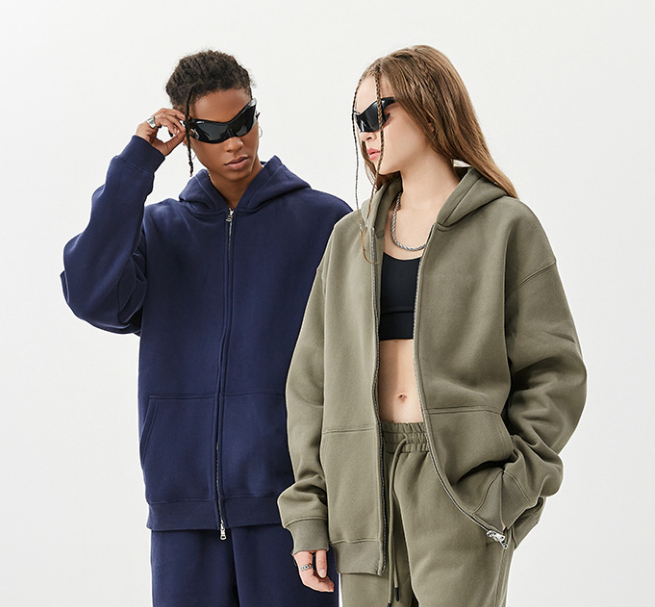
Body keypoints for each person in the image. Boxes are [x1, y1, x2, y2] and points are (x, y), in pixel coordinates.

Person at [277, 45, 587, 607]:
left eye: (378, 114)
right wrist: (308, 512)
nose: (366, 133)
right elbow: (310, 385)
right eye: (357, 121)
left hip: (461, 486)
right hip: (360, 487)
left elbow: (555, 372)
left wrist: (512, 488)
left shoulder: (506, 226)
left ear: (429, 105)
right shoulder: (350, 240)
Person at [61, 50, 349, 607]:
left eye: (243, 123)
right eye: (214, 132)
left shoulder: (324, 223)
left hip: (294, 512)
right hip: (182, 514)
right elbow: (89, 293)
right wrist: (136, 166)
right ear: (188, 137)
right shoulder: (157, 231)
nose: (235, 143)